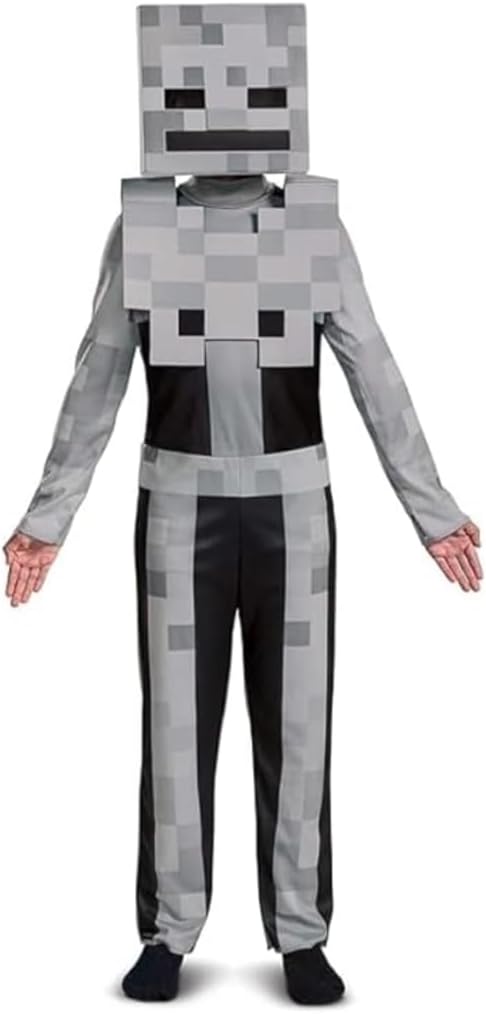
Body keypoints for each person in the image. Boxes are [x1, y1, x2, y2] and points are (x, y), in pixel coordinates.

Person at [3, 4, 482, 1006]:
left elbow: (372, 367)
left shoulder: (313, 226)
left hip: (293, 513)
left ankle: (300, 934)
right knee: (176, 728)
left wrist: (431, 509)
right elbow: (97, 376)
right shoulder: (144, 227)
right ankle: (170, 932)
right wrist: (47, 521)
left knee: (298, 723)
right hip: (179, 514)